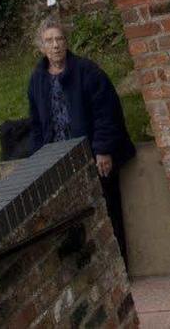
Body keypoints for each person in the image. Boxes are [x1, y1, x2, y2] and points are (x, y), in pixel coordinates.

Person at [25, 15, 136, 262]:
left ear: (66, 42)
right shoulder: (37, 80)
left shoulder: (87, 71)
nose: (55, 45)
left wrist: (103, 150)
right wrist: (37, 162)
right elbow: (36, 124)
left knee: (106, 210)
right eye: (49, 41)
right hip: (59, 158)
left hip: (91, 155)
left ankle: (119, 265)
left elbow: (106, 112)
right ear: (41, 47)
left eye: (59, 39)